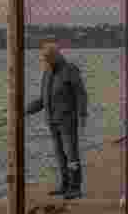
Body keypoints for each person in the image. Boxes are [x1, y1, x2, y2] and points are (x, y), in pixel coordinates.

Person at [25, 40, 89, 198]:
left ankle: (75, 188)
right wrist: (27, 110)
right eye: (44, 59)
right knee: (60, 155)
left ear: (55, 56)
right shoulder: (47, 73)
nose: (44, 62)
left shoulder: (70, 70)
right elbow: (44, 99)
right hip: (52, 122)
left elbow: (81, 94)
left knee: (71, 154)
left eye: (47, 58)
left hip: (67, 121)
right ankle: (65, 184)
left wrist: (82, 115)